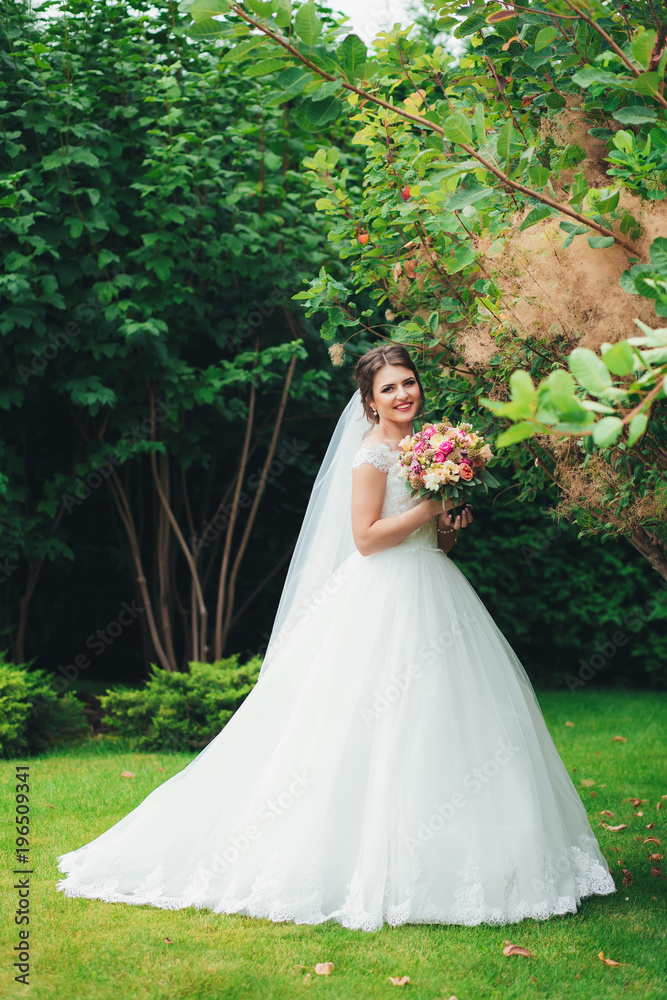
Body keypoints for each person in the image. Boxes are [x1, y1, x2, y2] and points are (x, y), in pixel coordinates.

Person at [55, 344, 616, 931]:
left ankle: (460, 851)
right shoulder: (373, 452)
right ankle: (353, 855)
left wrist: (449, 525)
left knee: (447, 718)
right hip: (380, 599)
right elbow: (368, 538)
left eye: (409, 383)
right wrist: (428, 508)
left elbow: (433, 543)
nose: (403, 395)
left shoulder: (430, 447)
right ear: (370, 404)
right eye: (389, 389)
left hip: (435, 588)